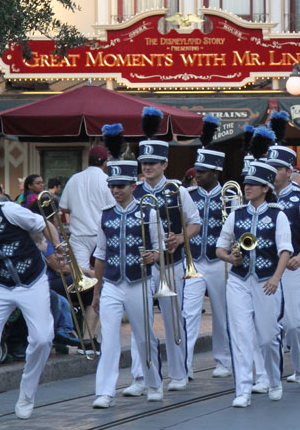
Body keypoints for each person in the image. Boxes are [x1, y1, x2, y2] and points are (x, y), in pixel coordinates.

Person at [126, 107, 200, 395]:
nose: (147, 167)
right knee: (140, 322)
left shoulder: (177, 190)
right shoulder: (134, 191)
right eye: (144, 162)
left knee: (173, 321)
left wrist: (181, 238)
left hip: (171, 263)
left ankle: (179, 373)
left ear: (164, 164)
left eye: (153, 163)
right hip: (143, 265)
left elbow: (194, 223)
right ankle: (139, 377)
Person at [0, 191, 59, 425]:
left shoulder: (6, 211)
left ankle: (27, 394)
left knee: (43, 338)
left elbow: (43, 224)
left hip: (32, 280)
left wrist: (59, 246)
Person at [216, 157, 293, 407]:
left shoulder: (277, 215)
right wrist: (230, 257)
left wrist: (276, 278)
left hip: (266, 280)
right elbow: (219, 247)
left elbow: (285, 251)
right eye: (246, 182)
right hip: (239, 280)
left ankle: (273, 380)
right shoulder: (236, 215)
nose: (247, 187)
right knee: (241, 335)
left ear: (265, 188)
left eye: (254, 183)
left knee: (269, 336)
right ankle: (243, 391)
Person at [90, 157, 164, 409]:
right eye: (112, 186)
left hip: (139, 281)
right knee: (108, 337)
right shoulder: (105, 216)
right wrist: (97, 292)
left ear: (134, 185)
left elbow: (161, 247)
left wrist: (155, 255)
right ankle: (105, 391)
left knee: (144, 337)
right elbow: (100, 254)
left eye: (121, 185)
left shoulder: (148, 212)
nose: (116, 190)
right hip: (112, 282)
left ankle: (153, 383)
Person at [265, 135, 300, 386]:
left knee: (295, 323)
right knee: (266, 324)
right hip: (265, 268)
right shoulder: (261, 197)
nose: (274, 172)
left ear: (289, 172)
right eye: (271, 167)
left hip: (292, 267)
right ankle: (266, 374)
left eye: (278, 168)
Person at [183, 116, 234, 380]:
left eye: (201, 172)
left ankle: (223, 360)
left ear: (215, 172)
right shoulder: (187, 196)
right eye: (196, 171)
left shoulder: (230, 196)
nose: (197, 174)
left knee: (222, 312)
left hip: (219, 262)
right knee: (188, 312)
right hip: (193, 261)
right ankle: (185, 364)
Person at [59, 144, 116, 352]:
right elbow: (115, 207)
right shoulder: (107, 180)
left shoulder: (74, 178)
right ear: (104, 162)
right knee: (99, 286)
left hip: (78, 237)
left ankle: (84, 336)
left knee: (83, 287)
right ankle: (89, 336)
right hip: (101, 235)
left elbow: (63, 207)